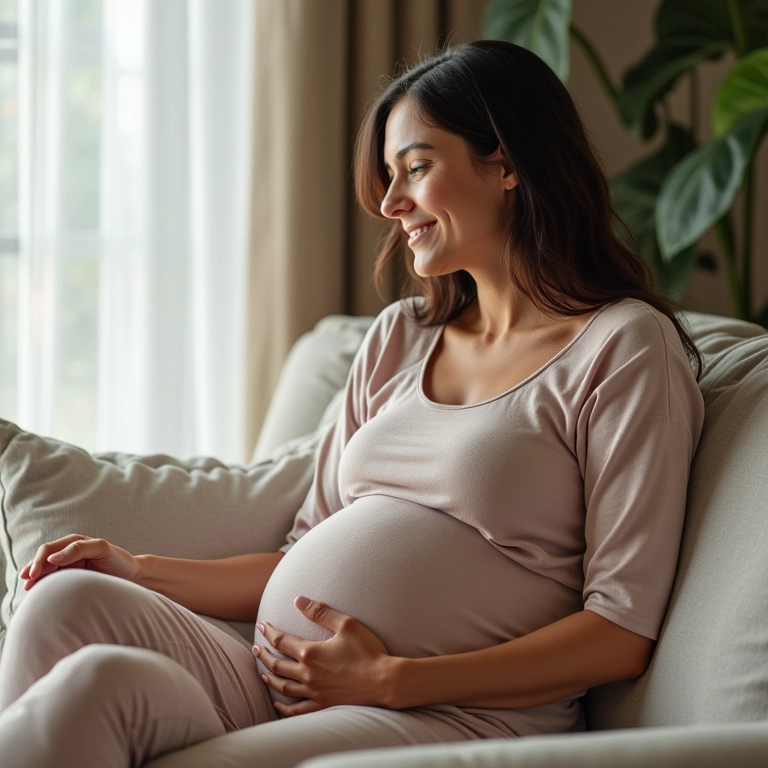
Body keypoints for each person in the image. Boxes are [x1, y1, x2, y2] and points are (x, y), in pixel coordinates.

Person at [0, 40, 705, 767]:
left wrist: (396, 679)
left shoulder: (623, 347)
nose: (392, 203)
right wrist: (137, 567)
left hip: (453, 715)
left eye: (418, 168)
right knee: (67, 604)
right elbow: (297, 557)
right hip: (277, 679)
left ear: (507, 163)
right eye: (389, 178)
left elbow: (621, 629)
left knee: (107, 705)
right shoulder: (400, 336)